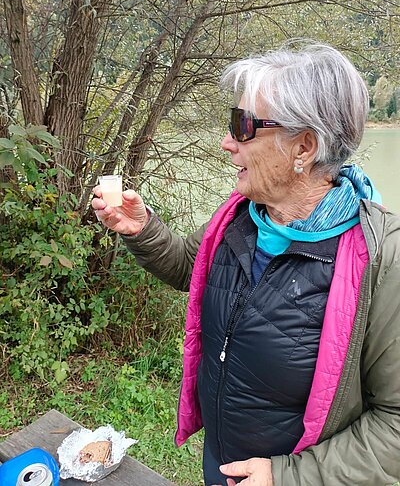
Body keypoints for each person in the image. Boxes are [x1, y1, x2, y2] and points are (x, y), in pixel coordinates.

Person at [92, 42, 400, 486]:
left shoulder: (380, 257)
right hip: (223, 463)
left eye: (243, 126)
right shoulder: (240, 216)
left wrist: (287, 476)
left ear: (304, 147)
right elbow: (188, 267)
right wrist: (142, 229)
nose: (227, 142)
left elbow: (394, 422)